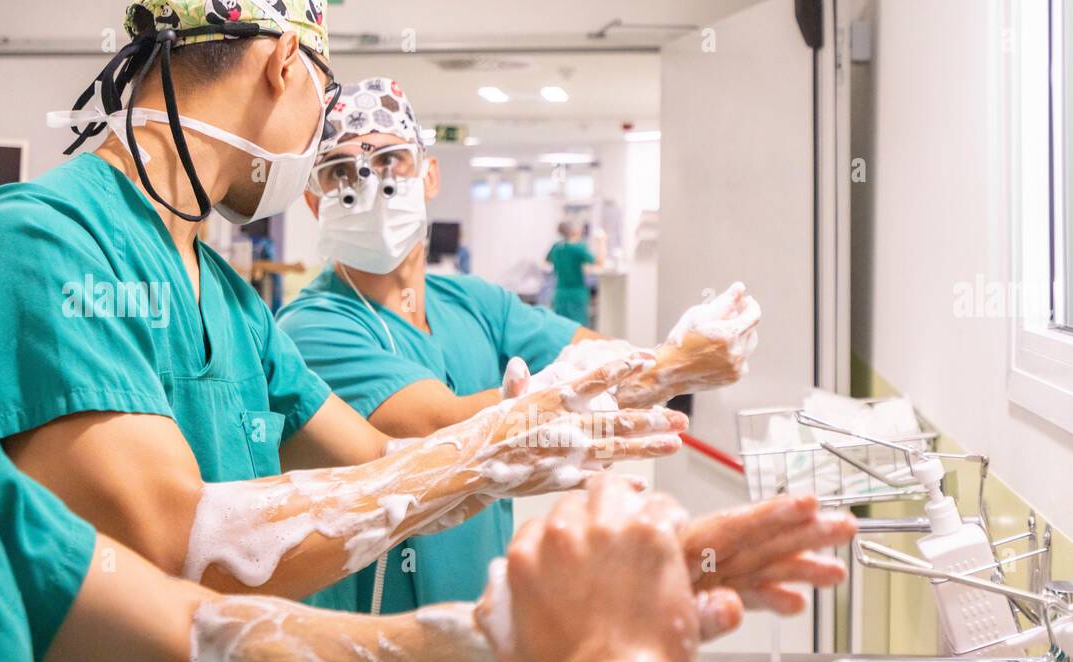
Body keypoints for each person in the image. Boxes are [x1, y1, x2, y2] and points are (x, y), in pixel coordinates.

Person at [0, 0, 861, 662]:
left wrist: (522, 639)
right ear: (287, 66)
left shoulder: (225, 304)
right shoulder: (46, 248)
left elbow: (209, 643)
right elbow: (177, 546)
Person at [279, 77, 763, 616]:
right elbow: (446, 428)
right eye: (341, 172)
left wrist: (681, 357)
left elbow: (601, 358)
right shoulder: (312, 326)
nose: (369, 185)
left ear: (429, 175)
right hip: (368, 636)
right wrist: (671, 369)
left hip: (479, 620)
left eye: (391, 160)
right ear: (313, 201)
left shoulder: (471, 300)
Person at [547, 220, 606, 326]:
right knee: (577, 330)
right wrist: (602, 241)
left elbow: (548, 260)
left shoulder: (556, 247)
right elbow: (600, 262)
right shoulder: (578, 248)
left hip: (560, 294)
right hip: (576, 295)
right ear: (574, 231)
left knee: (561, 328)